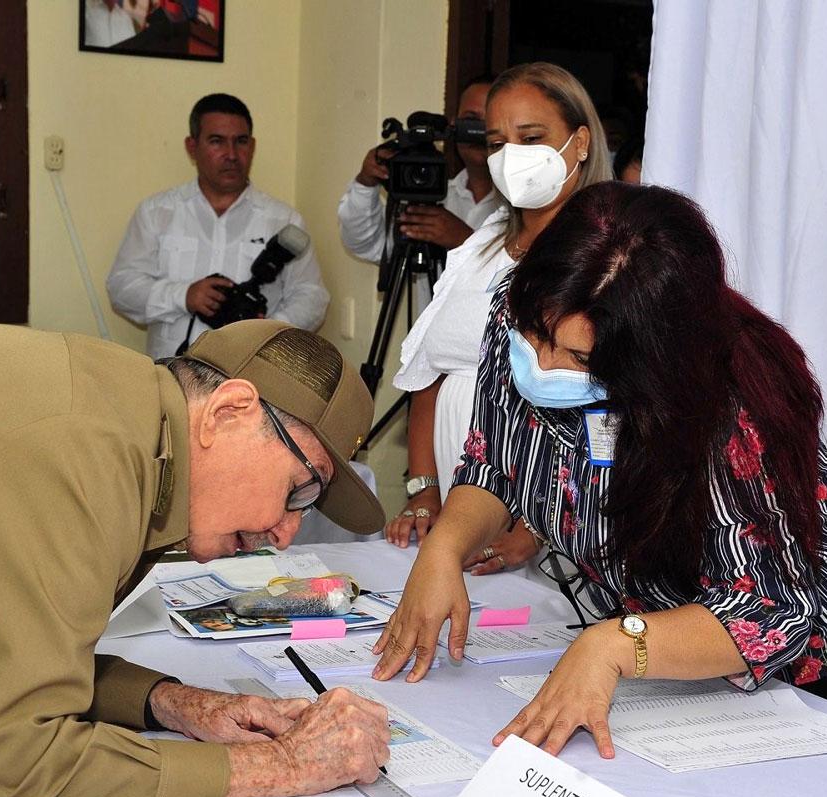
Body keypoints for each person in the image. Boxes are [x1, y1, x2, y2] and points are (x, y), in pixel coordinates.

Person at [372, 181, 827, 756]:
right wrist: (444, 547)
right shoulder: (530, 307)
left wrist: (614, 645)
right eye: (535, 335)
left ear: (651, 359)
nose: (539, 365)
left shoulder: (731, 415)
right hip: (652, 629)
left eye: (577, 360)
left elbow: (770, 609)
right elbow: (497, 455)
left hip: (800, 656)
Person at [0, 318, 390, 797]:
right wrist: (284, 765)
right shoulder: (82, 450)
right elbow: (22, 773)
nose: (285, 532)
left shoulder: (124, 426)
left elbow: (14, 648)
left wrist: (171, 702)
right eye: (300, 489)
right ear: (227, 411)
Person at [384, 62, 613, 580]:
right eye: (496, 142)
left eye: (530, 138)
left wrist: (534, 530)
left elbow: (605, 408)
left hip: (553, 517)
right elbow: (429, 371)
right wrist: (425, 492)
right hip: (454, 492)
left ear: (579, 142)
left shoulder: (605, 253)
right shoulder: (481, 241)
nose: (511, 156)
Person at [108, 93, 329, 360]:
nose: (232, 155)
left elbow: (312, 297)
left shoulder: (284, 221)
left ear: (253, 146)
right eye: (217, 142)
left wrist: (266, 332)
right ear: (192, 147)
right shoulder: (157, 213)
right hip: (172, 373)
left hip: (256, 376)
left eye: (241, 142)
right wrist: (184, 295)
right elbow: (121, 287)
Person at [337, 74, 501, 317]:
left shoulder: (525, 207)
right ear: (454, 126)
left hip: (501, 351)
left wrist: (466, 241)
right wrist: (366, 182)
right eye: (470, 121)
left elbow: (531, 285)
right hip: (431, 352)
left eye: (489, 122)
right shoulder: (434, 198)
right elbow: (364, 244)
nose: (478, 132)